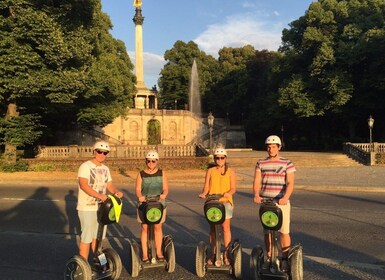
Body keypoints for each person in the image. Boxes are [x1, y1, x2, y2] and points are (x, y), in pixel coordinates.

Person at [252, 135, 296, 271]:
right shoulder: (261, 163)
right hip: (266, 202)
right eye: (268, 147)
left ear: (279, 147)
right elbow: (257, 181)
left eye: (273, 147)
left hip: (281, 202)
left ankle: (284, 258)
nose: (270, 149)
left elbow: (290, 183)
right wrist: (256, 195)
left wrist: (285, 197)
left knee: (283, 232)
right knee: (268, 232)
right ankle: (270, 257)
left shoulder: (287, 163)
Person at [77, 140, 123, 261]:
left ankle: (101, 264)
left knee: (97, 238)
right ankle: (84, 265)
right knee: (87, 237)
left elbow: (109, 185)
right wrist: (99, 195)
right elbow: (83, 185)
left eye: (105, 153)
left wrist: (115, 192)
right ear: (94, 152)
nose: (102, 155)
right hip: (87, 206)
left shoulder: (105, 169)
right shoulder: (85, 166)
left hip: (101, 208)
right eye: (99, 152)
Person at [198, 147, 236, 265]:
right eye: (217, 158)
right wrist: (204, 193)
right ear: (214, 159)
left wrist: (228, 193)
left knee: (225, 229)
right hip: (212, 202)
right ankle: (214, 253)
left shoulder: (230, 172)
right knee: (213, 229)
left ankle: (226, 253)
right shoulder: (210, 171)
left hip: (225, 202)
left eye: (221, 158)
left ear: (225, 158)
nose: (219, 160)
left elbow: (233, 188)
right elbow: (206, 186)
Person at [135, 150, 169, 263]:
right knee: (144, 228)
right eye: (148, 161)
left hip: (158, 203)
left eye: (153, 161)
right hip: (144, 204)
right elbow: (138, 189)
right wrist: (140, 196)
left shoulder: (162, 173)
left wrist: (163, 195)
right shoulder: (141, 174)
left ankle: (158, 252)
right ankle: (145, 254)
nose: (151, 163)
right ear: (146, 161)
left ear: (157, 161)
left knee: (158, 227)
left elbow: (165, 188)